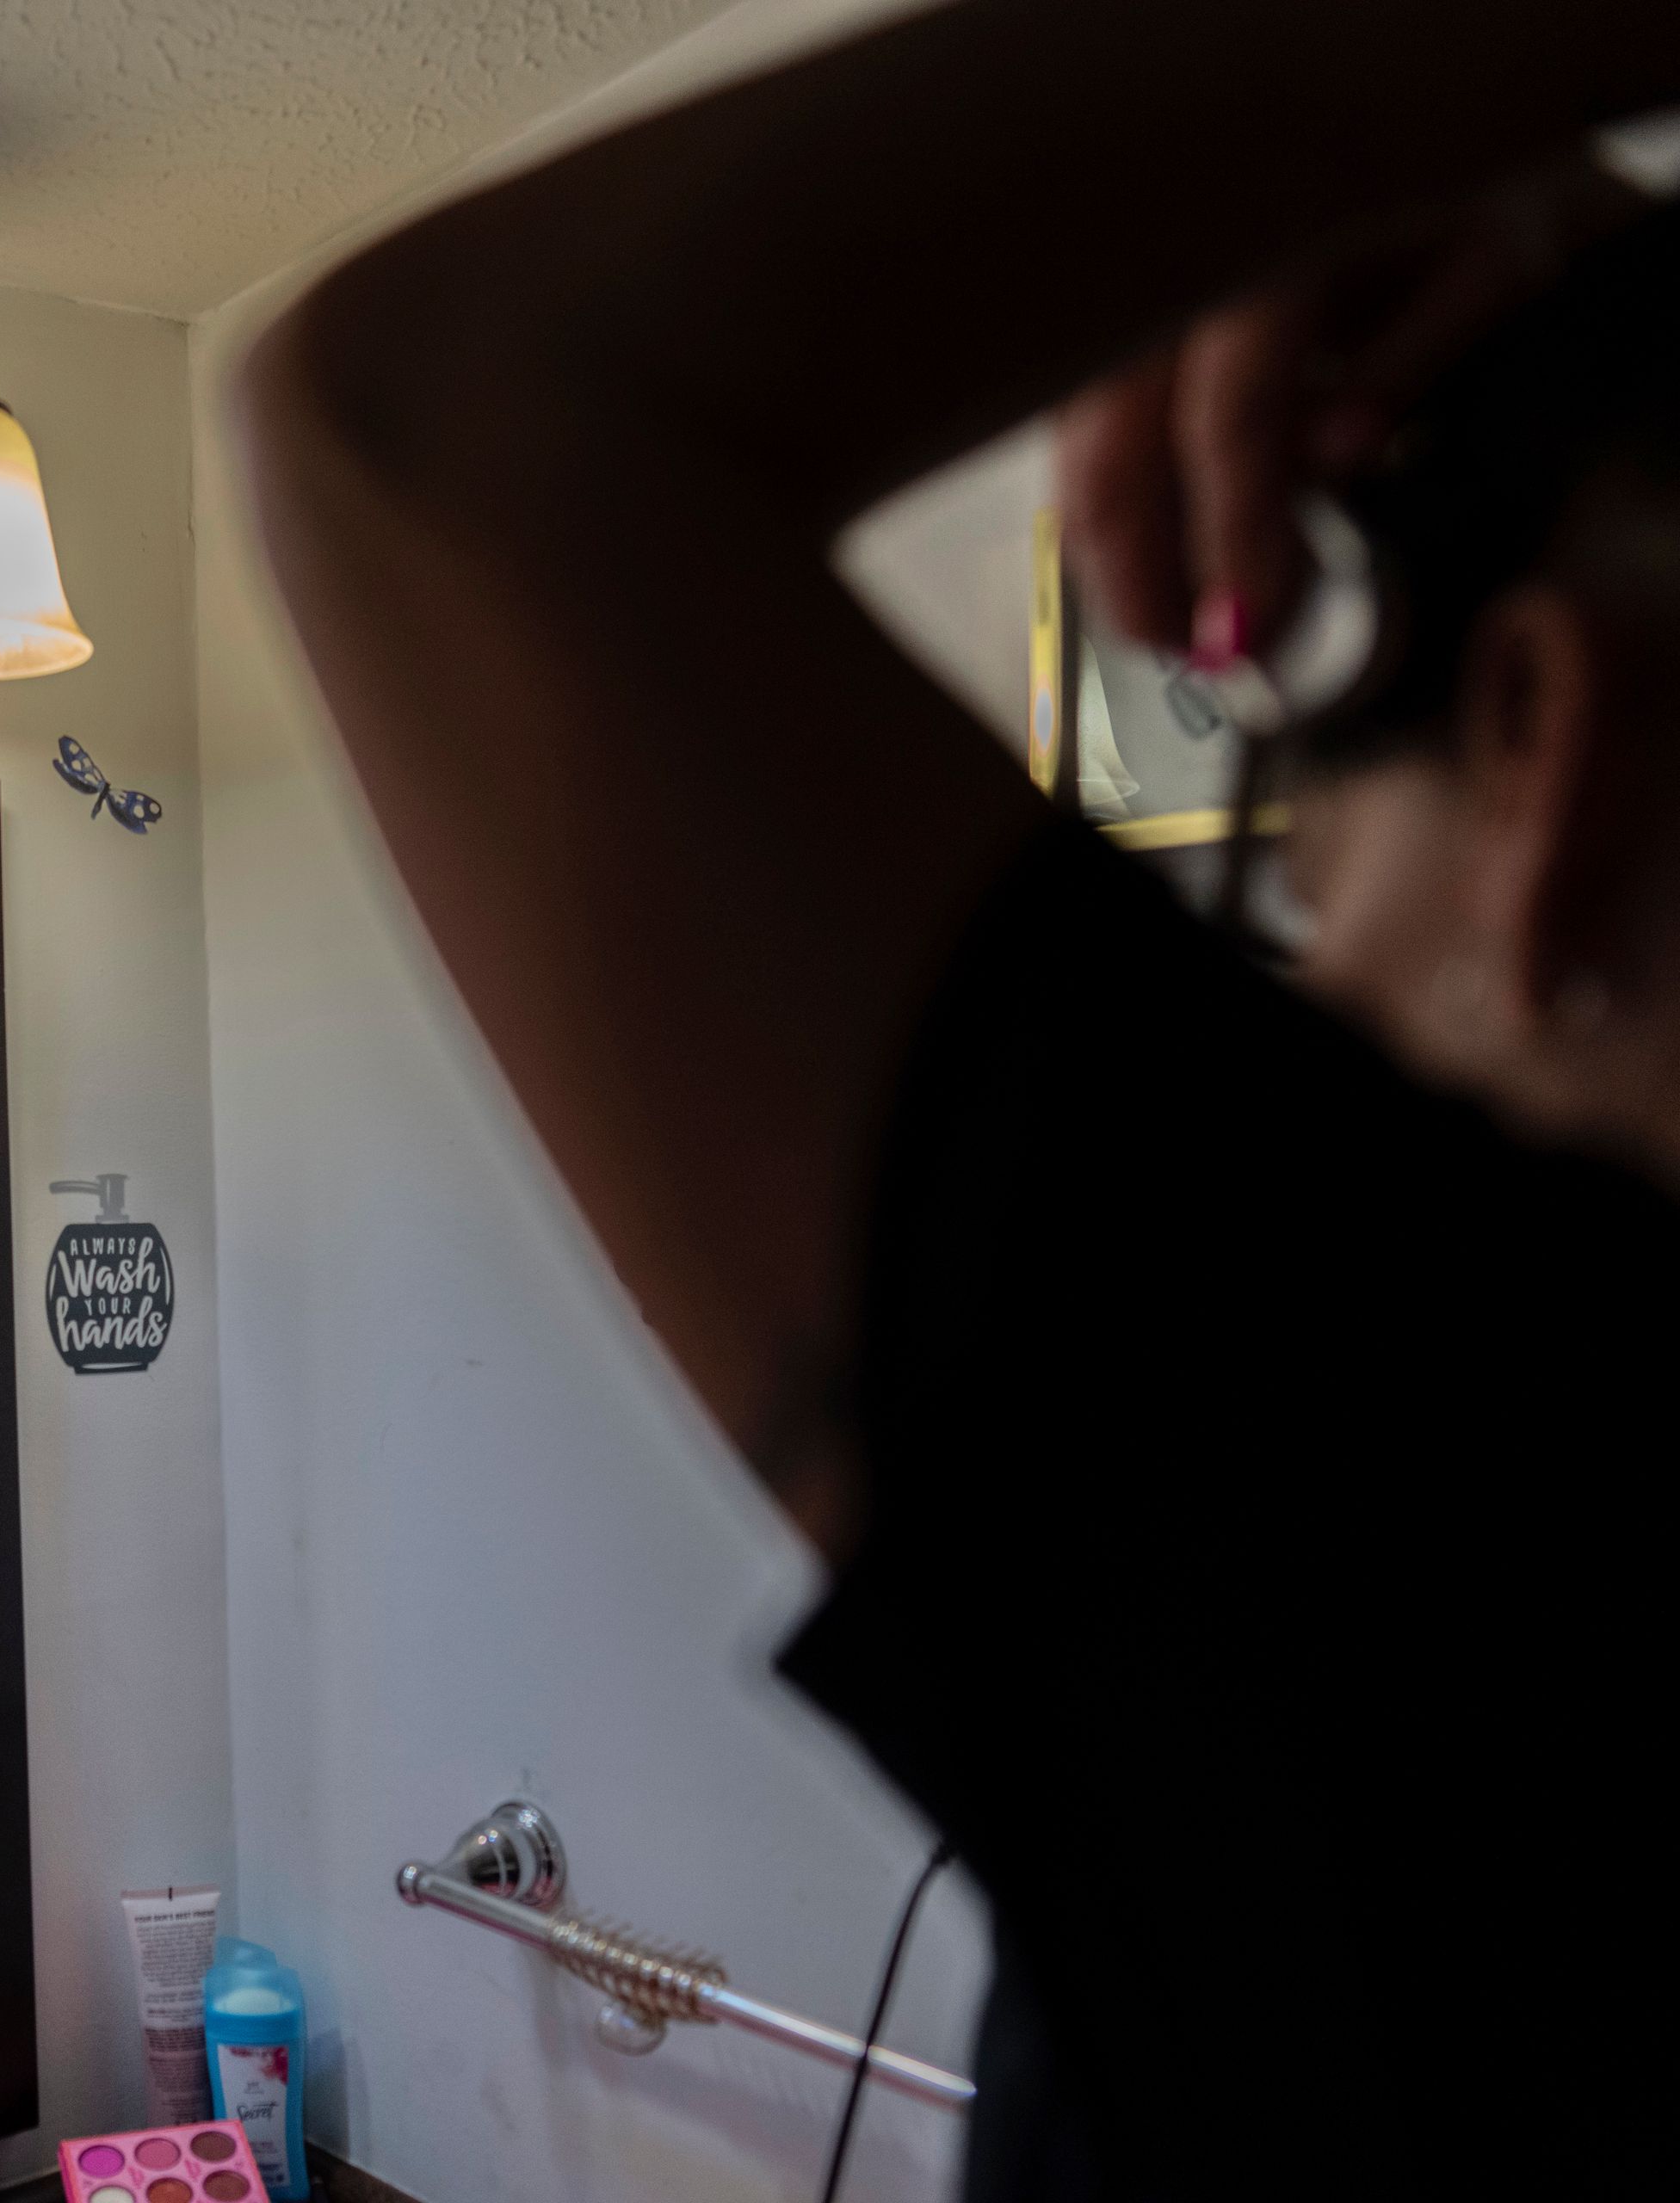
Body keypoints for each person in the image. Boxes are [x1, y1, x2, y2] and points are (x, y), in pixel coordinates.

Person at [243, 1, 1680, 2192]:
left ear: (1533, 739)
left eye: (1304, 879)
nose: (1292, 975)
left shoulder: (1501, 1533)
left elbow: (436, 422)